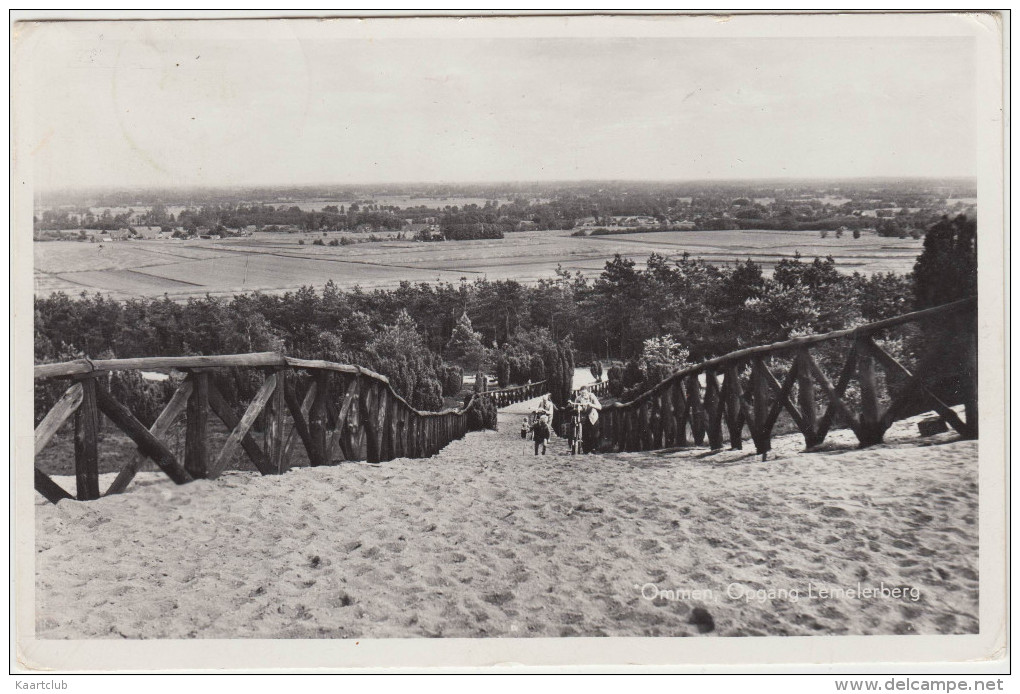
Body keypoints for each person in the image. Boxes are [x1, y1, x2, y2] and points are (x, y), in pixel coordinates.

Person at [572, 385, 602, 453]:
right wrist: (577, 408)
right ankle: (586, 451)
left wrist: (591, 404)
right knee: (585, 435)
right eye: (582, 393)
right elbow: (575, 407)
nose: (583, 395)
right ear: (580, 393)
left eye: (585, 393)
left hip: (593, 417)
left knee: (594, 435)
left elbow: (600, 407)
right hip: (584, 418)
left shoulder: (592, 396)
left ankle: (595, 449)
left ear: (588, 392)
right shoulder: (578, 398)